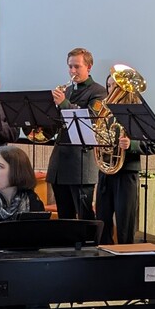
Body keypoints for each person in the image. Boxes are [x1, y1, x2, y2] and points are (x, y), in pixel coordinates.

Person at [95, 70, 155, 244]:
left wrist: (132, 145)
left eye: (115, 86)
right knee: (102, 222)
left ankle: (126, 257)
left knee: (125, 225)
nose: (111, 90)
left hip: (126, 174)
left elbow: (153, 145)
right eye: (109, 86)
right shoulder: (104, 112)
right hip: (105, 172)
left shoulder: (138, 113)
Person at [46, 48, 106, 220]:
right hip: (60, 162)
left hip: (81, 163)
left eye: (77, 67)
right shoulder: (67, 91)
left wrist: (64, 103)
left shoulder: (98, 92)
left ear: (89, 67)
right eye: (70, 66)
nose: (72, 71)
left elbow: (91, 120)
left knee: (85, 216)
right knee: (64, 216)